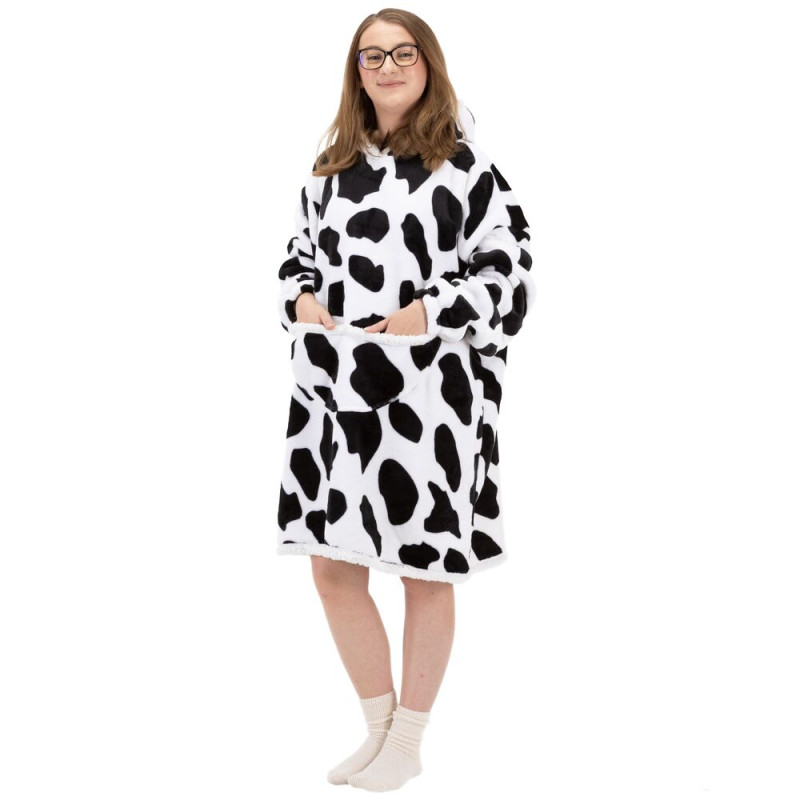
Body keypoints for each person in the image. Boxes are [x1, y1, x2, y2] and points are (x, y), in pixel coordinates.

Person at [275, 8, 536, 791]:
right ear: (356, 73)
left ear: (428, 64)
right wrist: (301, 300)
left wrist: (430, 312)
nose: (387, 66)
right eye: (371, 56)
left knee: (423, 569)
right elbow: (295, 257)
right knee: (332, 567)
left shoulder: (466, 167)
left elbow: (511, 275)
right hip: (335, 393)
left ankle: (409, 739)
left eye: (403, 52)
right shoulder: (330, 167)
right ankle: (382, 731)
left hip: (431, 400)